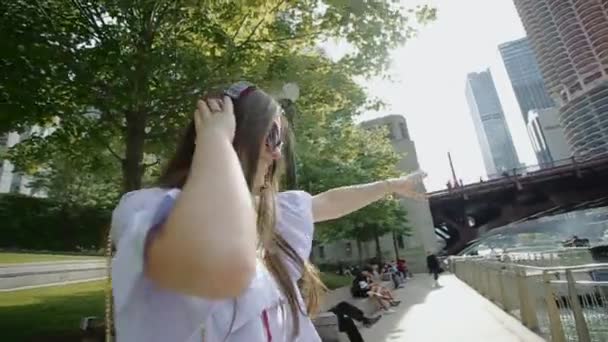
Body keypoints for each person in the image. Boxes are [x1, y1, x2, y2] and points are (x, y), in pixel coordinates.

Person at [110, 81, 425, 341]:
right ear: (235, 135)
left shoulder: (273, 215)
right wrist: (216, 139)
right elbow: (224, 264)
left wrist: (391, 185)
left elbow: (329, 202)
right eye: (271, 137)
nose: (277, 153)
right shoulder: (154, 211)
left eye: (281, 140)